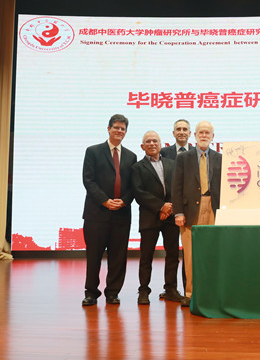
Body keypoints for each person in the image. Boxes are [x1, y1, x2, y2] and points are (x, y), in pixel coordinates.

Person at [81, 114, 137, 306]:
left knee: (118, 257)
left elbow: (133, 186)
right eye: (116, 127)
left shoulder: (131, 156)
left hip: (121, 214)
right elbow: (88, 180)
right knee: (94, 256)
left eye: (123, 129)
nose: (119, 131)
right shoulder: (93, 151)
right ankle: (91, 293)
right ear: (108, 129)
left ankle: (113, 292)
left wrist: (124, 201)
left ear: (126, 132)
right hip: (96, 213)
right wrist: (105, 201)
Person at [172, 120, 222, 308]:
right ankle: (190, 293)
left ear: (212, 137)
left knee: (213, 252)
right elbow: (176, 187)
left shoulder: (220, 158)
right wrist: (178, 212)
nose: (204, 135)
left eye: (207, 132)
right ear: (195, 135)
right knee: (190, 255)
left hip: (214, 209)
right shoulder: (183, 158)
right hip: (190, 211)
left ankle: (212, 292)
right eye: (201, 132)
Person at [131, 131, 184, 305]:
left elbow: (177, 188)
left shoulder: (172, 164)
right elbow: (139, 193)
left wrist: (169, 207)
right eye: (148, 141)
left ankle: (171, 289)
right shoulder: (137, 167)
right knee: (146, 257)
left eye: (155, 141)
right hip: (149, 217)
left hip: (170, 217)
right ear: (142, 146)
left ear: (161, 145)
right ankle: (143, 291)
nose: (152, 143)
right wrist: (160, 206)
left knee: (173, 255)